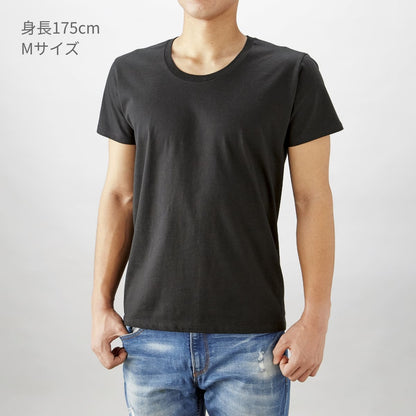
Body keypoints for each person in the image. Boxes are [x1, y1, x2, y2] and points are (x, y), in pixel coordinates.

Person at [91, 1, 344, 415]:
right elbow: (120, 196)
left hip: (252, 338)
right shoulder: (129, 73)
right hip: (150, 336)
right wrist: (99, 304)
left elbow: (313, 200)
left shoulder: (291, 74)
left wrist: (316, 318)